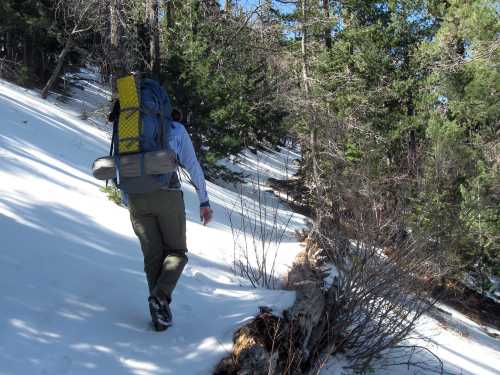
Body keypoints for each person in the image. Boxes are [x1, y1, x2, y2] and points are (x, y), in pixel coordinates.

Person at [123, 101, 213, 332]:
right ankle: (160, 299)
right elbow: (193, 166)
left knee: (153, 257)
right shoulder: (176, 129)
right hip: (167, 194)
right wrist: (204, 201)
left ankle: (159, 316)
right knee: (176, 252)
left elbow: (123, 165)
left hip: (136, 197)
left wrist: (128, 199)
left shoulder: (129, 128)